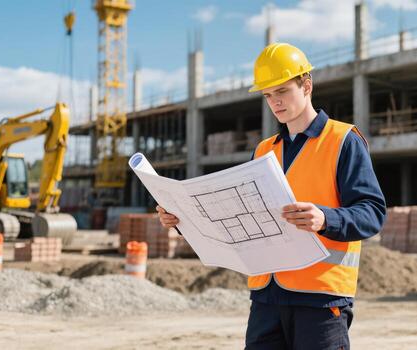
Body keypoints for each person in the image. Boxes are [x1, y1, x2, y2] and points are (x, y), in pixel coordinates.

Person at [157, 42, 386, 350]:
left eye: (282, 91)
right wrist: (182, 221)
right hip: (267, 297)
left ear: (307, 85)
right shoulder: (265, 150)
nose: (274, 102)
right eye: (267, 95)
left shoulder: (343, 140)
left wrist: (325, 218)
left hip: (320, 297)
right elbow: (240, 217)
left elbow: (372, 212)